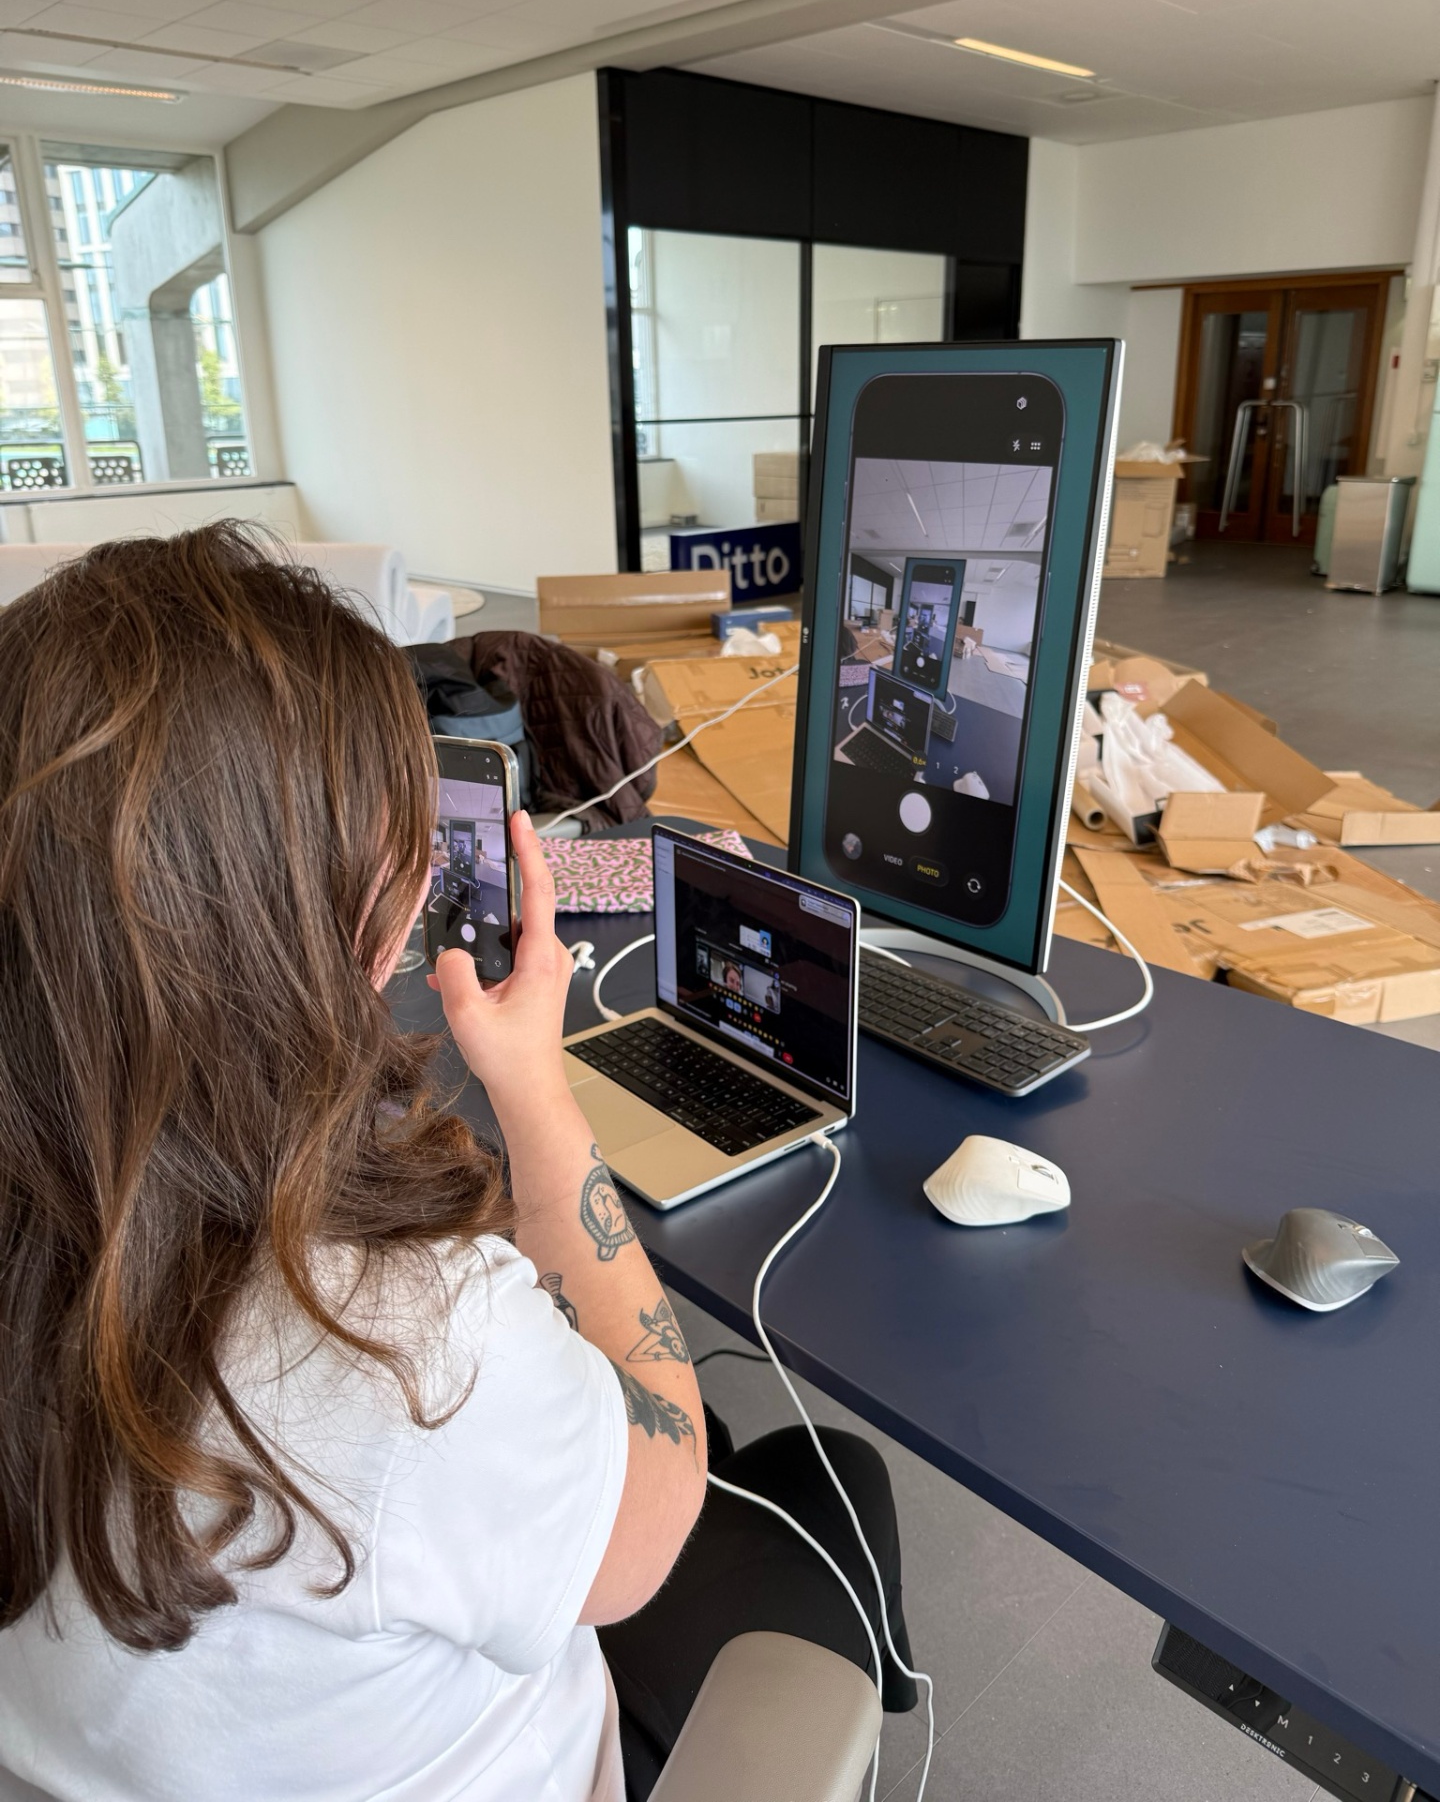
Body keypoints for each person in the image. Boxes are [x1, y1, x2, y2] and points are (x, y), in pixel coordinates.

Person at [0, 526, 912, 1802]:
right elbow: (655, 1506)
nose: (427, 869)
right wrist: (536, 1094)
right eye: (396, 839)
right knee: (828, 1477)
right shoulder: (407, 1351)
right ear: (296, 918)